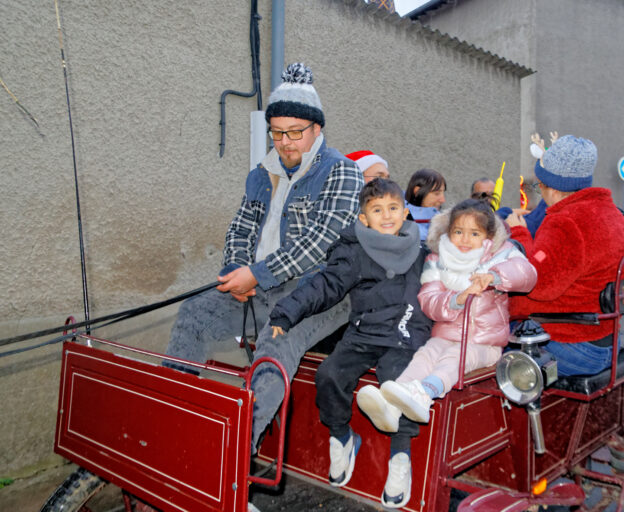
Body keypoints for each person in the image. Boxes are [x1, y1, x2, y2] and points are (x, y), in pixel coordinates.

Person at [163, 63, 364, 453]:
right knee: (192, 315)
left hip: (320, 291)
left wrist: (255, 274)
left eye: (295, 132)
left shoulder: (343, 172)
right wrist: (234, 273)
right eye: (277, 132)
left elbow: (318, 243)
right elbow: (240, 229)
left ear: (317, 129)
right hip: (259, 283)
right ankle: (174, 417)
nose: (285, 142)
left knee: (274, 343)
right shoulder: (261, 174)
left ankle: (236, 455)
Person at [268, 179, 430, 508]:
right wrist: (286, 313)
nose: (387, 216)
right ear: (363, 218)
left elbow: (449, 281)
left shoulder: (423, 252)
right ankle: (342, 436)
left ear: (405, 212)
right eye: (377, 210)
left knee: (398, 384)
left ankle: (401, 456)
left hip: (404, 334)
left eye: (394, 208)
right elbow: (325, 285)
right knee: (328, 374)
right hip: (363, 332)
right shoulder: (355, 251)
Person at [357, 199, 537, 427]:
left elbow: (527, 274)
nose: (465, 239)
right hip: (445, 335)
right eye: (458, 231)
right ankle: (392, 403)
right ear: (449, 231)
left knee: (453, 360)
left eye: (474, 233)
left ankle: (424, 394)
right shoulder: (438, 259)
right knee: (425, 355)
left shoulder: (501, 255)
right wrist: (455, 300)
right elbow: (428, 299)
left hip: (485, 343)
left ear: (488, 237)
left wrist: (495, 277)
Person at [505, 135, 624, 377]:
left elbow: (537, 283)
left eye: (539, 186)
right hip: (608, 339)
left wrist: (519, 233)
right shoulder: (612, 214)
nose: (540, 191)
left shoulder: (565, 221)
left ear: (553, 187)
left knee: (487, 354)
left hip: (575, 347)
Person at [404, 168, 447, 240]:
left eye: (443, 193)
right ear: (417, 191)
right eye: (436, 193)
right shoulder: (397, 220)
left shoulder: (442, 221)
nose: (443, 200)